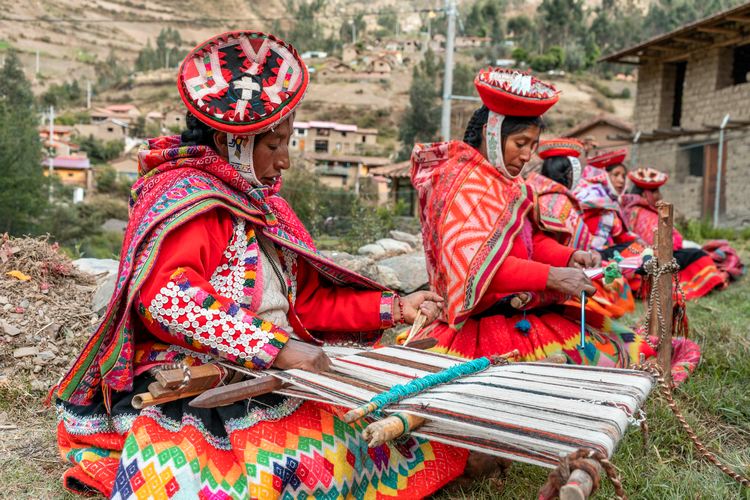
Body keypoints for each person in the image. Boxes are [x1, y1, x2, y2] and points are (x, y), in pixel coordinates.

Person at [53, 31, 467, 499]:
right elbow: (166, 301)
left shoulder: (264, 208)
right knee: (308, 459)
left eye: (288, 143)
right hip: (201, 376)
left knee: (390, 422)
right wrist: (277, 349)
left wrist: (396, 308)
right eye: (274, 145)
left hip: (270, 366)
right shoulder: (189, 200)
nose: (285, 161)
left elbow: (305, 304)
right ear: (234, 143)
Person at [408, 68, 657, 367]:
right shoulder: (461, 183)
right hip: (479, 325)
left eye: (533, 146)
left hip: (522, 310)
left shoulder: (511, 186)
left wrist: (568, 256)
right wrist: (552, 277)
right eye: (520, 143)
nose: (527, 156)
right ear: (491, 134)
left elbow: (529, 240)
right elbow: (478, 268)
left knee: (630, 351)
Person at [527, 139, 635, 318]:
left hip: (560, 266)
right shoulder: (560, 201)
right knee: (615, 279)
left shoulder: (539, 194)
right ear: (570, 174)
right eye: (616, 175)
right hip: (561, 274)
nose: (620, 181)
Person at [621, 167, 727, 300]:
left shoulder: (631, 209)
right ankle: (706, 281)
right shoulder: (642, 213)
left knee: (693, 252)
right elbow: (665, 245)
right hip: (650, 259)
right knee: (697, 255)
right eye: (655, 192)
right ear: (644, 194)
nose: (660, 196)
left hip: (644, 257)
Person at [573, 150, 644, 260]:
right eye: (616, 175)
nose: (621, 180)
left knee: (640, 251)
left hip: (604, 252)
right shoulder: (591, 198)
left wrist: (637, 241)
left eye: (623, 176)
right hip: (586, 254)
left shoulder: (612, 203)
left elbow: (620, 235)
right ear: (603, 176)